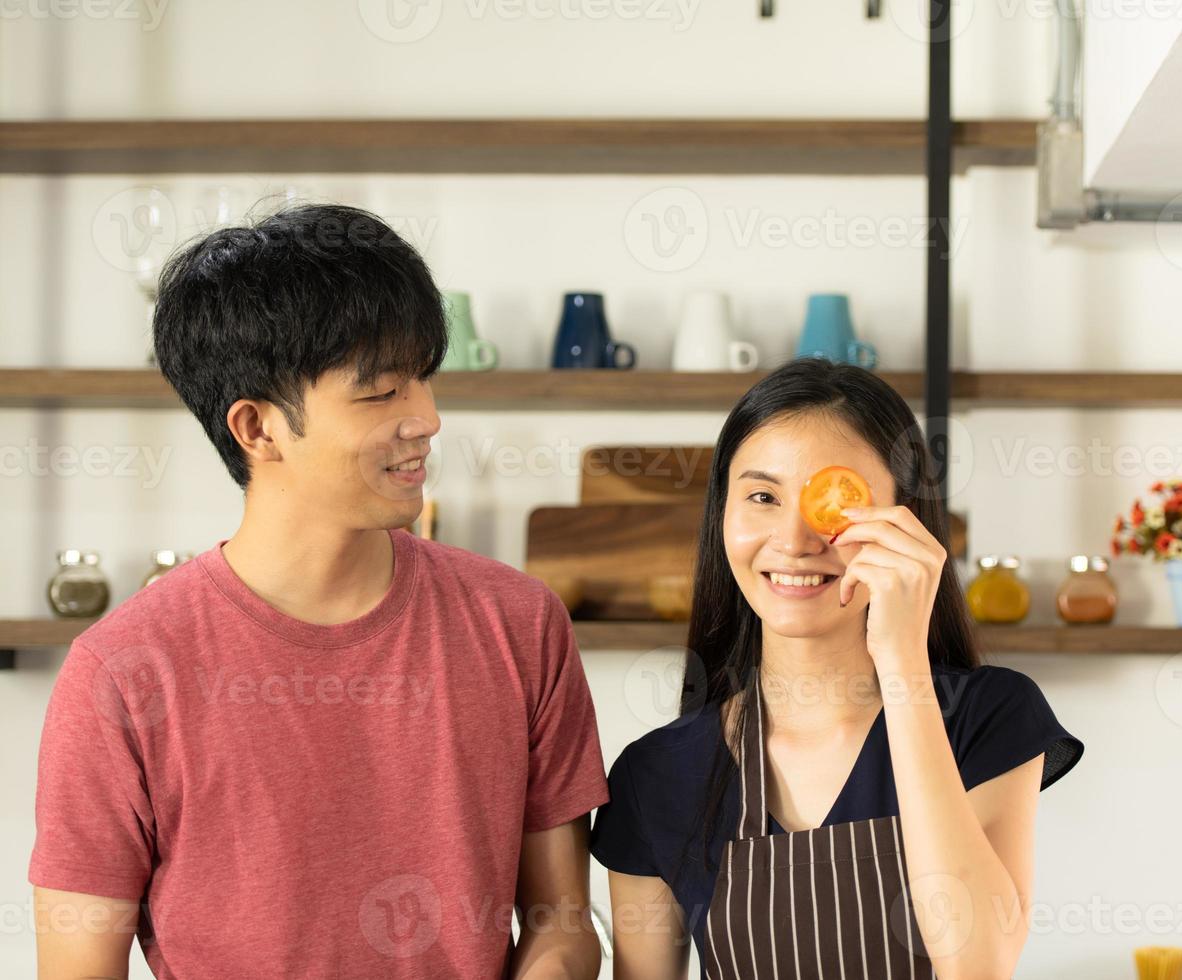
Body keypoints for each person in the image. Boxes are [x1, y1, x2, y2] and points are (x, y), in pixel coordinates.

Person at [29, 203, 608, 979]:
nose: (427, 418)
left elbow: (563, 926)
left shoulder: (518, 622)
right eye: (380, 394)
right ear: (257, 429)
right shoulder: (122, 672)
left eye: (424, 381)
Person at [591, 357, 1084, 978]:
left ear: (906, 521)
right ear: (722, 516)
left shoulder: (987, 717)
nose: (795, 540)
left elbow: (979, 963)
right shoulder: (656, 774)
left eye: (836, 500)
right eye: (763, 496)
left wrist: (902, 660)